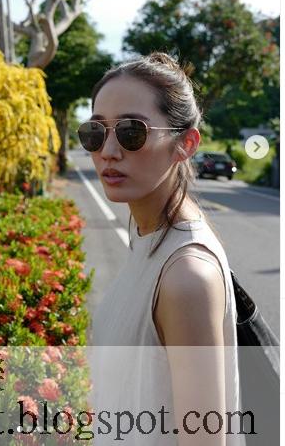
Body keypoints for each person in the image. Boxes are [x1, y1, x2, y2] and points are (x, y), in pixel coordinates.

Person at [82, 53, 244, 445]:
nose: (108, 151)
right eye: (95, 132)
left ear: (185, 143)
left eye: (131, 132)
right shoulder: (149, 237)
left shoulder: (187, 275)